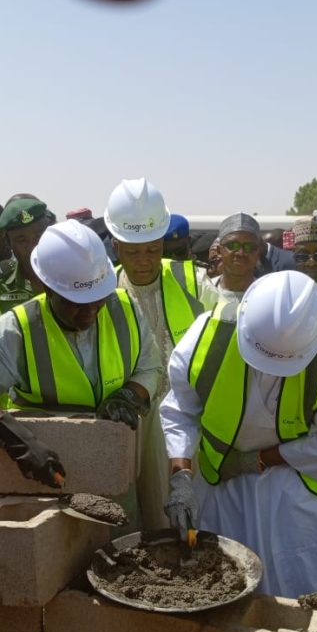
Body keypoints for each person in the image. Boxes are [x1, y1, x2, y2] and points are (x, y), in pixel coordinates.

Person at [0, 220, 163, 529]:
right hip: (46, 480)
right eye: (75, 304)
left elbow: (150, 366)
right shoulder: (18, 329)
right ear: (45, 286)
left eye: (96, 301)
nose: (88, 314)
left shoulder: (125, 309)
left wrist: (132, 394)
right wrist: (14, 439)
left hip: (113, 471)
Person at [161, 271, 317, 597]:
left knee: (296, 588)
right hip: (223, 482)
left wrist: (254, 460)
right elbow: (179, 411)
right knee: (221, 577)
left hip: (300, 486)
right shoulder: (206, 337)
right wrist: (181, 477)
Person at [105, 178, 217, 527]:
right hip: (131, 420)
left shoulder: (193, 282)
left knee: (192, 513)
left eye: (152, 250)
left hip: (188, 418)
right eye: (133, 251)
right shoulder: (103, 292)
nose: (144, 261)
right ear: (115, 245)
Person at [0, 197, 50, 312]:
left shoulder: (70, 271)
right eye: (22, 240)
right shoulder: (1, 285)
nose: (33, 246)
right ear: (8, 243)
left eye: (39, 235)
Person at [212, 213, 264, 304]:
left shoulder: (268, 295)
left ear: (258, 253)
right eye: (232, 245)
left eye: (249, 247)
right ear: (219, 251)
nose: (241, 253)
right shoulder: (204, 292)